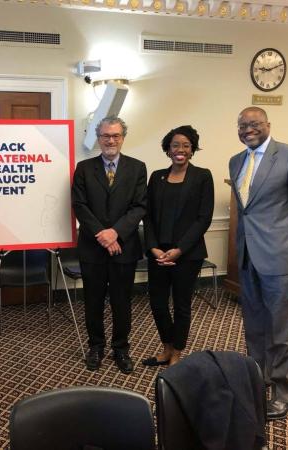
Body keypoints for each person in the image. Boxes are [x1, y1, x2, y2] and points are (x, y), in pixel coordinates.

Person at [229, 107, 288, 420]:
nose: (247, 129)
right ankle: (258, 380)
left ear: (268, 124)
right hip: (248, 256)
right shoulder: (236, 160)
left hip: (282, 257)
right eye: (242, 125)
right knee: (254, 326)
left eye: (254, 124)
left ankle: (284, 391)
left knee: (282, 329)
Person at [72, 116, 147, 374]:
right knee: (92, 301)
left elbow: (139, 206)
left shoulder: (137, 168)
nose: (110, 140)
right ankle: (96, 347)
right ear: (98, 137)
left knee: (121, 301)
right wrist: (103, 235)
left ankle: (121, 348)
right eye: (105, 136)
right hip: (92, 248)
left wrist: (115, 233)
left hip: (123, 247)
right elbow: (79, 205)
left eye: (115, 135)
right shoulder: (83, 168)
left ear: (123, 137)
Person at [141, 125, 214, 368]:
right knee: (158, 303)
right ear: (167, 149)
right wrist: (153, 248)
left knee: (182, 304)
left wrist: (180, 249)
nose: (180, 149)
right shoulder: (156, 177)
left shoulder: (203, 176)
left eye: (185, 145)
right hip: (158, 253)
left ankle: (177, 352)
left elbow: (203, 218)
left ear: (192, 149)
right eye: (175, 145)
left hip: (187, 254)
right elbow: (148, 216)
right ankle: (166, 347)